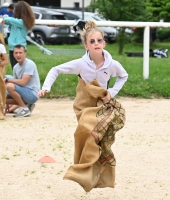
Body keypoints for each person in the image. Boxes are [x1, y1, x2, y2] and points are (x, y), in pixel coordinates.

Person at [38, 21, 128, 192]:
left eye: (99, 40)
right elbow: (55, 70)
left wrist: (111, 92)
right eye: (92, 41)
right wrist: (46, 87)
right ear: (86, 45)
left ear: (104, 43)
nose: (96, 44)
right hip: (83, 107)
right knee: (85, 135)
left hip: (102, 106)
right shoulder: (80, 64)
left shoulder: (112, 64)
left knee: (97, 140)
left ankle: (93, 174)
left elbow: (124, 76)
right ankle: (84, 170)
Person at [5, 44, 40, 118]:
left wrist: (8, 80)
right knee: (2, 97)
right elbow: (14, 85)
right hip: (23, 92)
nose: (18, 55)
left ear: (25, 53)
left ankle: (24, 108)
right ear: (13, 54)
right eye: (16, 53)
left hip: (32, 94)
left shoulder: (30, 64)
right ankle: (26, 106)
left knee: (9, 84)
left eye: (20, 53)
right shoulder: (15, 67)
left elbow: (22, 83)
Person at [1, 1, 35, 69]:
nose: (14, 11)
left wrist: (5, 19)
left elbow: (8, 19)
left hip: (19, 48)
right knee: (15, 70)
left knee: (19, 70)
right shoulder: (16, 22)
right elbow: (8, 21)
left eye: (15, 10)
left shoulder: (23, 22)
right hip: (12, 48)